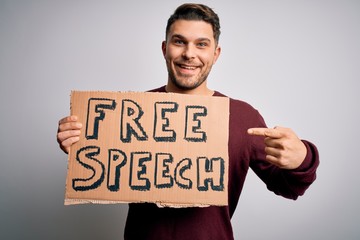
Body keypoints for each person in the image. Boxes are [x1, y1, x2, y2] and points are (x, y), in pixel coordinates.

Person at [57, 3, 319, 239]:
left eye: (201, 44)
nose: (189, 54)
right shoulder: (130, 112)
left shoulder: (241, 116)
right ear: (165, 48)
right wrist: (81, 142)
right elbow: (102, 160)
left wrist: (302, 158)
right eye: (179, 42)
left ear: (215, 54)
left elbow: (288, 186)